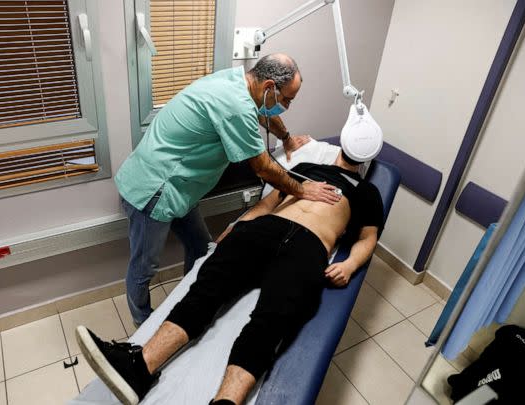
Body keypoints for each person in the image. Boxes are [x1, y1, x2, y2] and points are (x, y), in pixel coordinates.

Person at [76, 141, 384, 405]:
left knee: (273, 319)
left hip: (310, 244)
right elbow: (267, 203)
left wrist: (349, 264)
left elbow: (368, 237)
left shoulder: (367, 192)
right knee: (206, 290)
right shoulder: (304, 166)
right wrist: (237, 225)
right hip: (263, 229)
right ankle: (138, 368)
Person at [115, 53, 342, 326]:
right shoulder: (235, 104)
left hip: (181, 189)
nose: (287, 107)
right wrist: (302, 190)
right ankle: (142, 324)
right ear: (269, 86)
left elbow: (261, 112)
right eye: (286, 100)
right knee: (144, 268)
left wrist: (287, 139)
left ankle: (188, 302)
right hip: (154, 190)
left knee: (201, 247)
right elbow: (263, 168)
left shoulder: (238, 80)